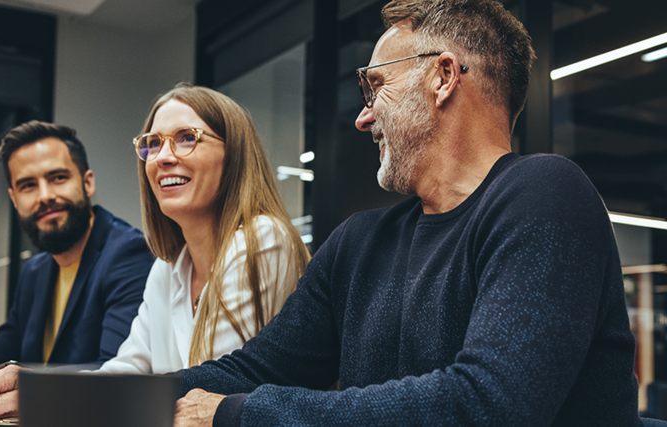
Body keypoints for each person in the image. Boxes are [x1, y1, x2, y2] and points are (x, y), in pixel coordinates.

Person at [169, 1, 641, 426]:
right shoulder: (359, 242)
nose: (363, 116)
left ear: (443, 77)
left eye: (376, 86)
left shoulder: (546, 194)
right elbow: (255, 370)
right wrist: (123, 398)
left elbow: (487, 406)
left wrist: (240, 414)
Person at [0, 85, 311, 418]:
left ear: (234, 153)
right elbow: (127, 367)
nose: (163, 157)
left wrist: (47, 397)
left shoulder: (263, 239)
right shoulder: (168, 267)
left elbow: (212, 390)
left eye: (187, 137)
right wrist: (37, 388)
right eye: (153, 143)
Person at [0, 121, 154, 368]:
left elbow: (115, 373)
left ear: (87, 183)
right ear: (14, 200)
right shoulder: (34, 272)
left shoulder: (129, 255)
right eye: (28, 186)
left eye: (58, 178)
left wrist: (16, 381)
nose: (45, 196)